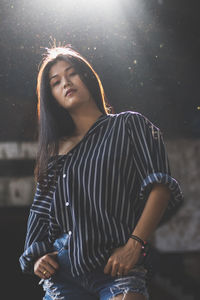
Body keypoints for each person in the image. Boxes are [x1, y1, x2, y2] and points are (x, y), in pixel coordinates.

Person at [19, 45, 183, 300]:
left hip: (117, 268)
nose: (66, 83)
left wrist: (134, 245)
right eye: (55, 82)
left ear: (87, 77)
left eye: (72, 73)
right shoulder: (54, 153)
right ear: (51, 96)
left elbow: (160, 186)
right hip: (62, 274)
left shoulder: (129, 124)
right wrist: (38, 256)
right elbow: (40, 213)